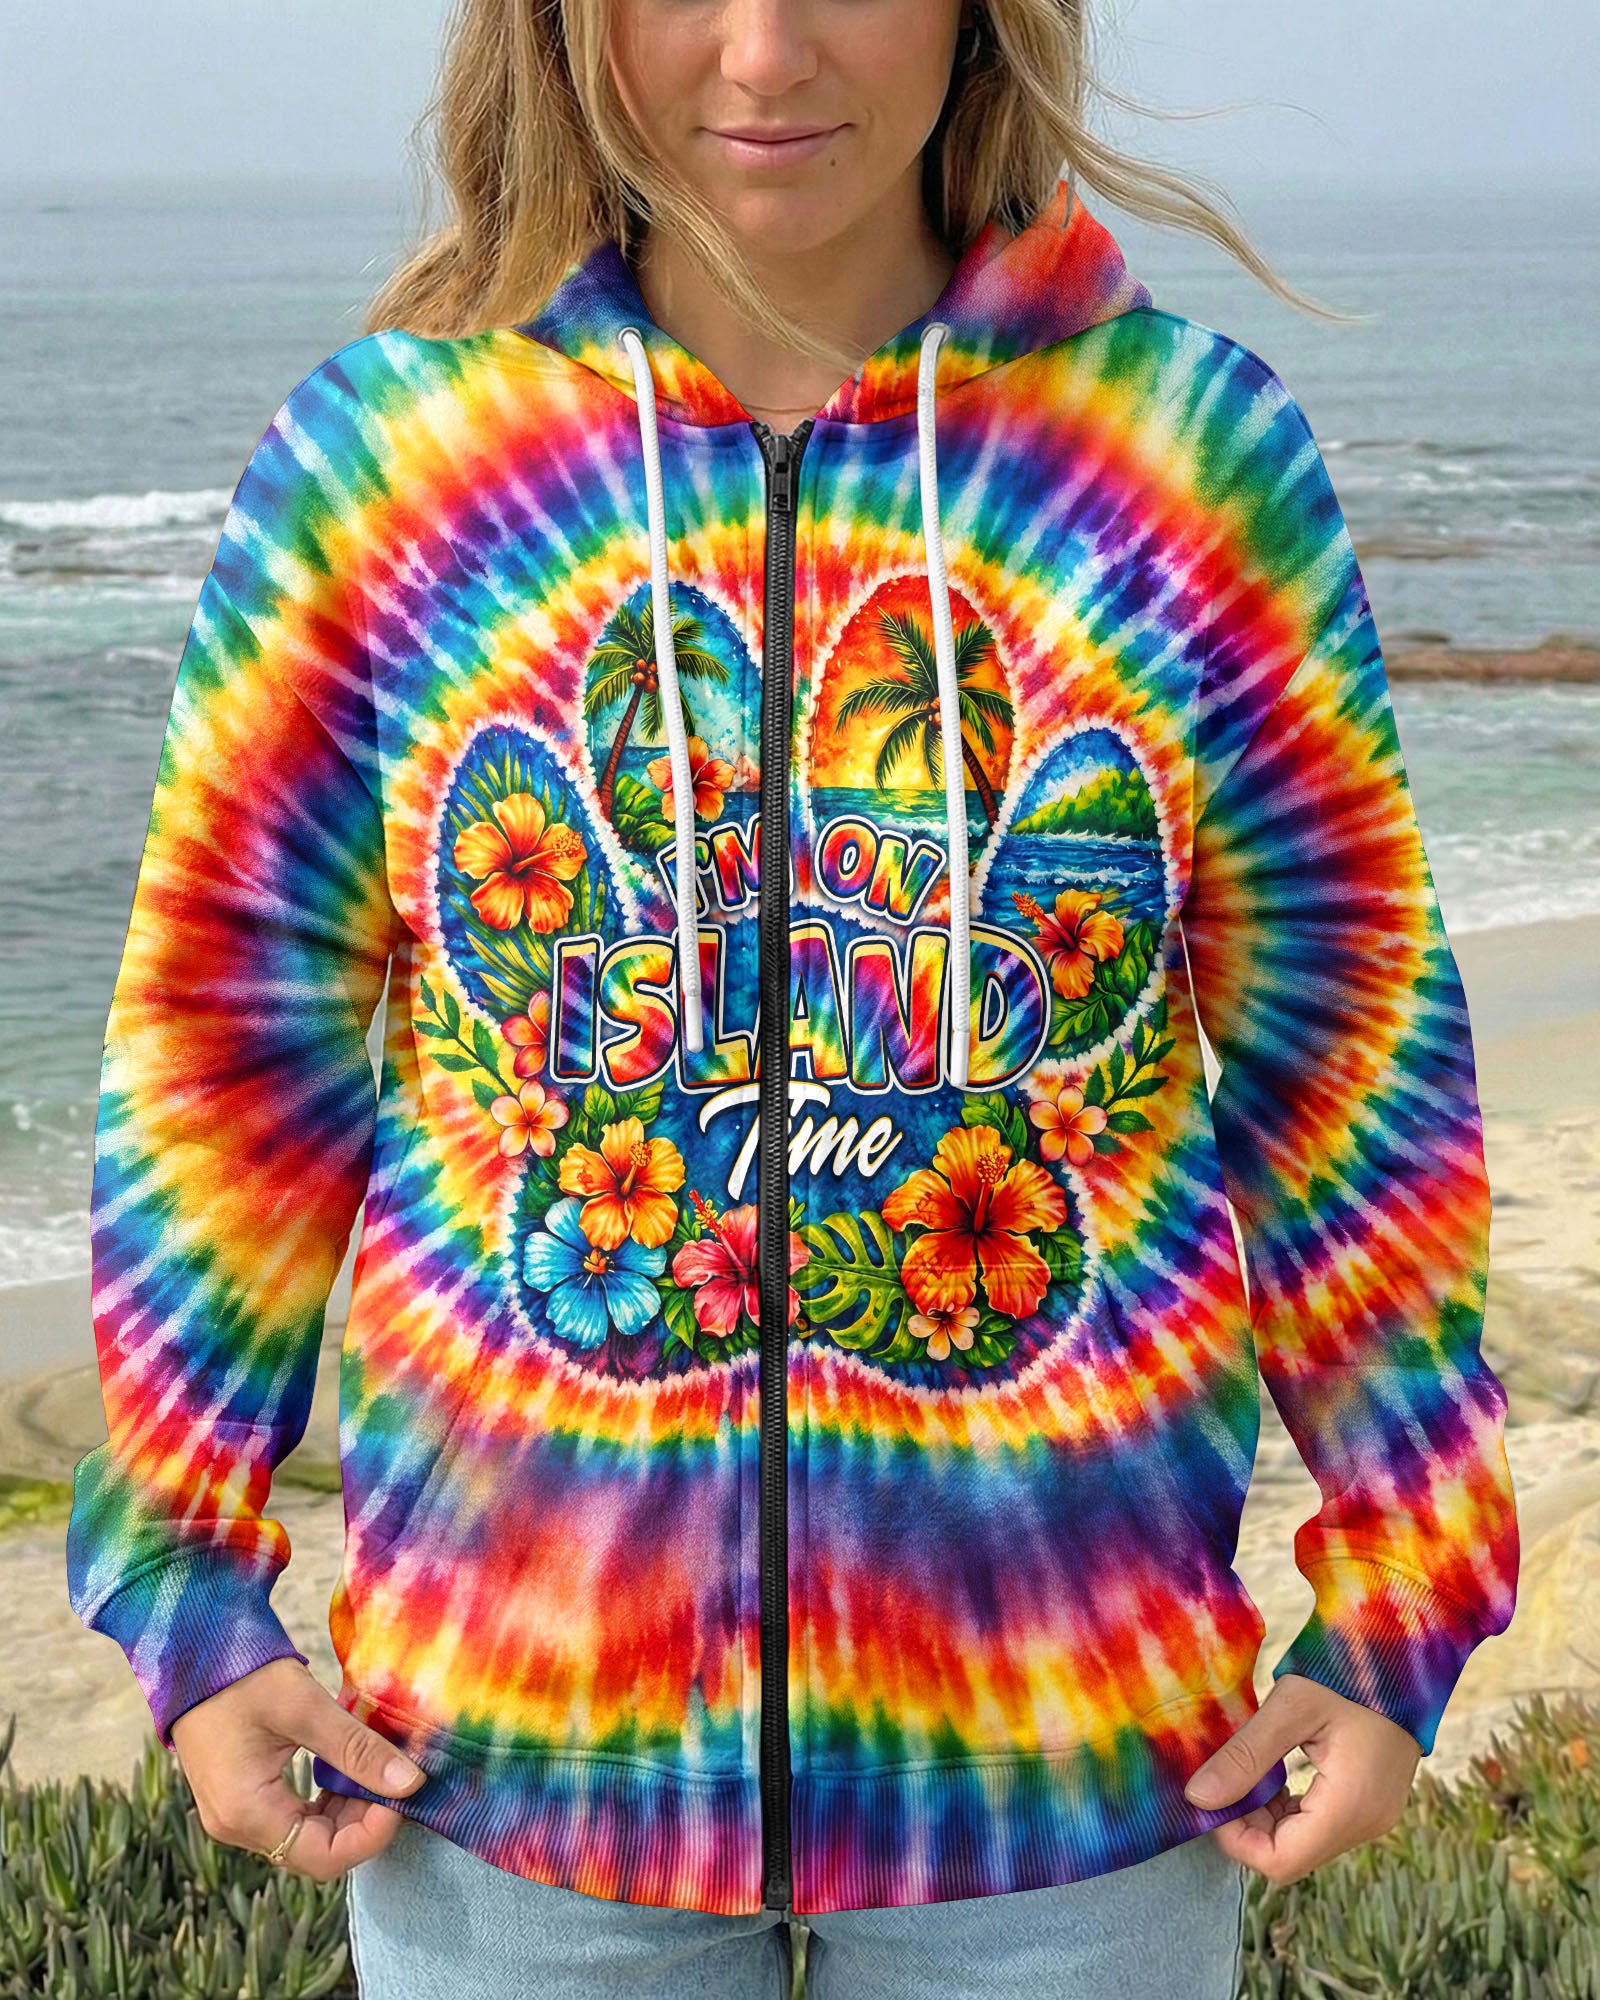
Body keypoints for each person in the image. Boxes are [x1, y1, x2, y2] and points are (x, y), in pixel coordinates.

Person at [64, 0, 1521, 1994]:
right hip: (513, 1776)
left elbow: (1345, 1049)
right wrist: (183, 1581)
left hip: (1061, 1778)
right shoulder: (389, 461)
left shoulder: (1181, 455)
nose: (763, 56)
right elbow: (230, 1046)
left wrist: (1401, 1593)